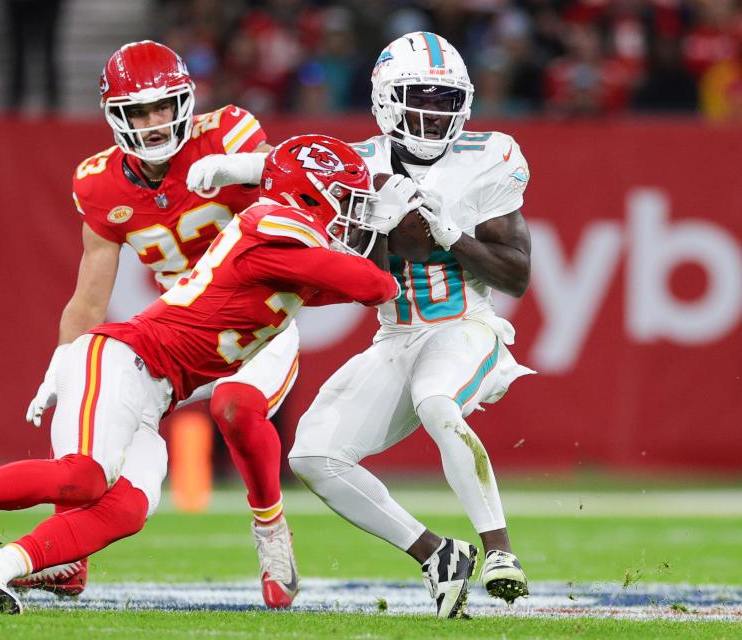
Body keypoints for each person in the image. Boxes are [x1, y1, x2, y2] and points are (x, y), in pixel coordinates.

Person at [0, 134, 419, 615]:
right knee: (82, 477)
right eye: (348, 199)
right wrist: (394, 230)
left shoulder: (287, 244)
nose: (356, 211)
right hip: (120, 359)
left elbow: (347, 286)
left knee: (124, 509)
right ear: (309, 194)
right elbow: (374, 285)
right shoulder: (273, 231)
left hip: (155, 392)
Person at [189, 31, 534, 619]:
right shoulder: (360, 162)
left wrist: (450, 234)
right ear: (384, 100)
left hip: (465, 325)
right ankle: (436, 555)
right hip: (396, 335)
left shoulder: (489, 157)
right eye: (418, 99)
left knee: (435, 401)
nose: (431, 114)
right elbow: (287, 164)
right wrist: (224, 169)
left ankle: (499, 550)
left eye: (444, 101)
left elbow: (517, 276)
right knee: (313, 456)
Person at [23, 40, 304, 607]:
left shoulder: (227, 133)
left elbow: (302, 191)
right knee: (89, 399)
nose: (153, 123)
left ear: (186, 100)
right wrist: (64, 363)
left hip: (256, 324)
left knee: (238, 407)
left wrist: (250, 168)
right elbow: (88, 298)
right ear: (114, 117)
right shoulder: (100, 182)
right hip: (177, 332)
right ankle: (65, 552)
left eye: (162, 106)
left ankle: (271, 529)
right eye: (137, 111)